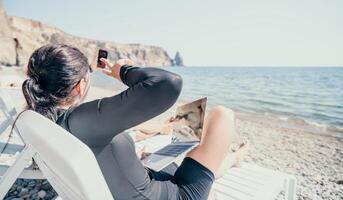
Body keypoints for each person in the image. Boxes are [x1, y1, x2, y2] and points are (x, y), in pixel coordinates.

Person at [22, 44, 246, 200]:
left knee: (175, 153)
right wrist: (123, 72)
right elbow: (168, 83)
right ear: (80, 87)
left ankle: (231, 160)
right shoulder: (82, 120)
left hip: (141, 183)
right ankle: (234, 159)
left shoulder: (48, 120)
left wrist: (130, 159)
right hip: (176, 196)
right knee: (222, 115)